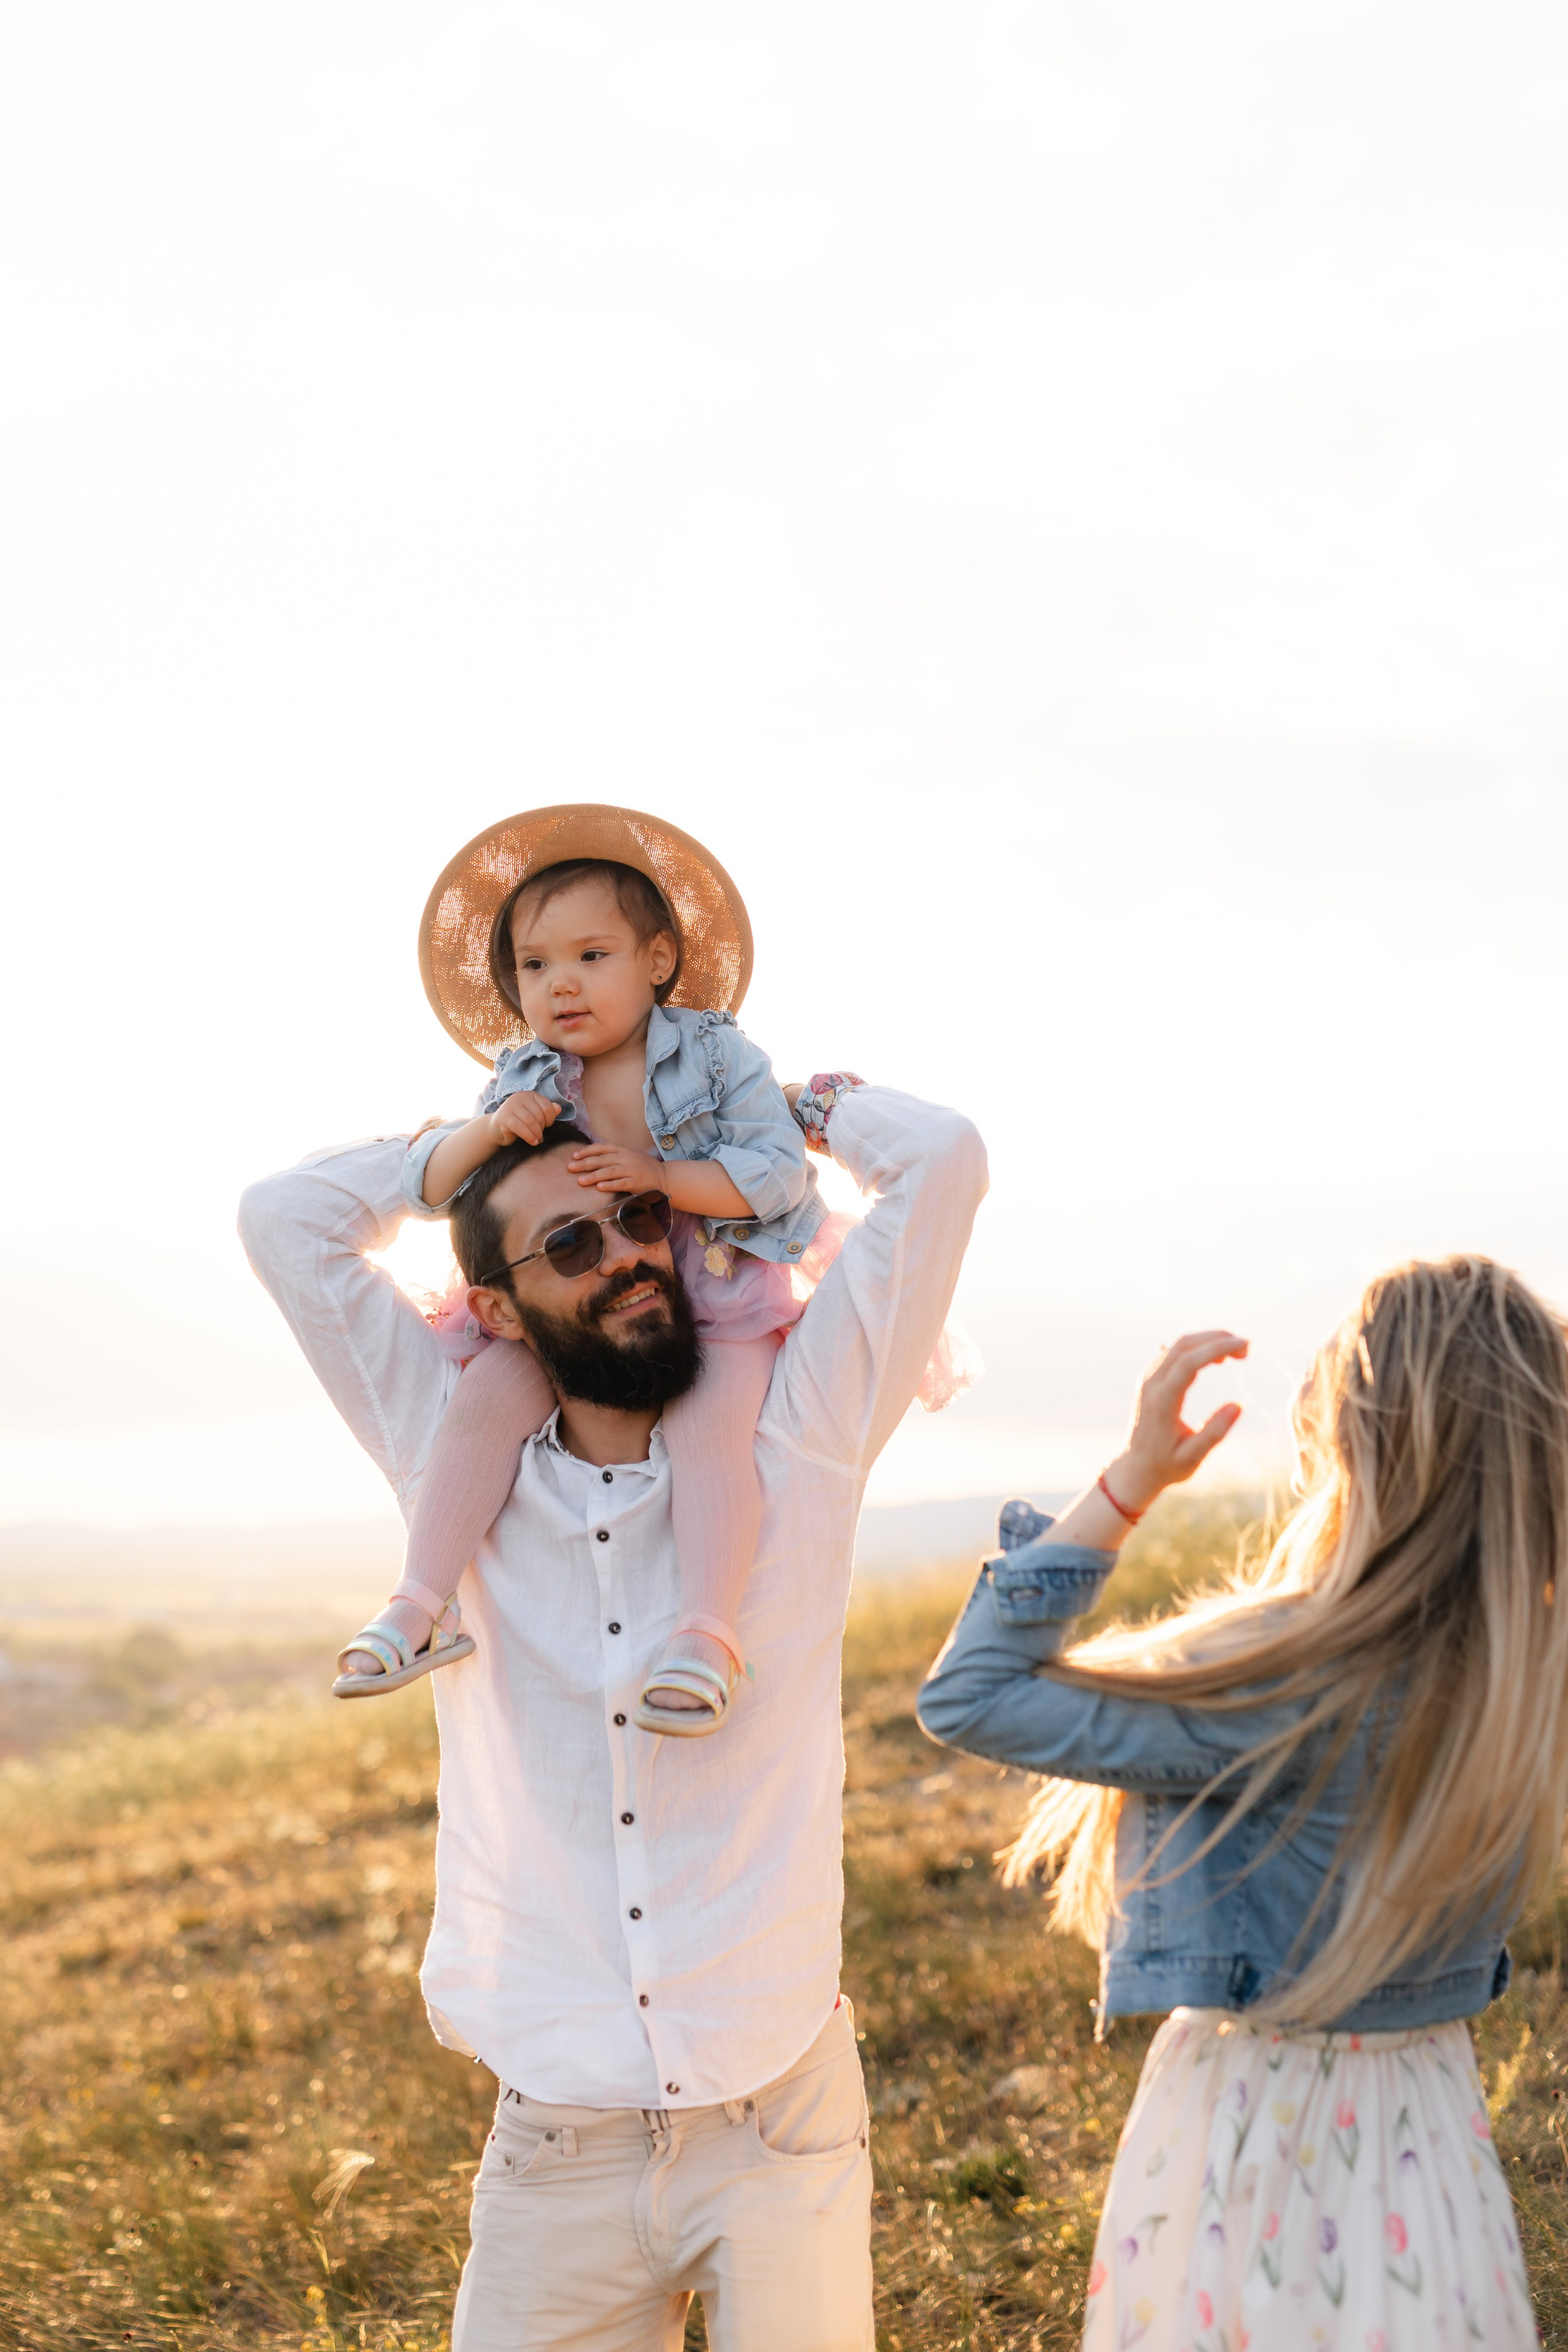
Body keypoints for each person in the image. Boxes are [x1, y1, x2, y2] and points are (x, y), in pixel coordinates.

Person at [237, 812, 987, 2349]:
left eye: (638, 1220)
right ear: (496, 1312)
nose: (631, 1253)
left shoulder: (796, 1428)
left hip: (776, 2111)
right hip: (556, 2137)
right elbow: (284, 1222)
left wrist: (794, 1108)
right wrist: (459, 1155)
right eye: (570, 1246)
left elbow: (945, 1161)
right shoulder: (447, 1446)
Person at [917, 1258, 1559, 2350]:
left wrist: (1131, 1481)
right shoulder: (1527, 1675)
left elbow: (970, 1696)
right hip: (1434, 2139)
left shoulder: (1283, 1682)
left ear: (1347, 1434)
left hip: (1261, 2137)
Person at [334, 803, 974, 1733]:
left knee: (714, 1433)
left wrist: (663, 1177)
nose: (562, 984)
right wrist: (490, 1132)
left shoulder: (713, 1055)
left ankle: (707, 1633)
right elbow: (446, 1193)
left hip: (715, 1274)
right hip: (588, 1286)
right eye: (534, 966)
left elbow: (775, 1173)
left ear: (658, 960)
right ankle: (419, 1600)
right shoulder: (525, 1074)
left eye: (592, 956)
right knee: (484, 1405)